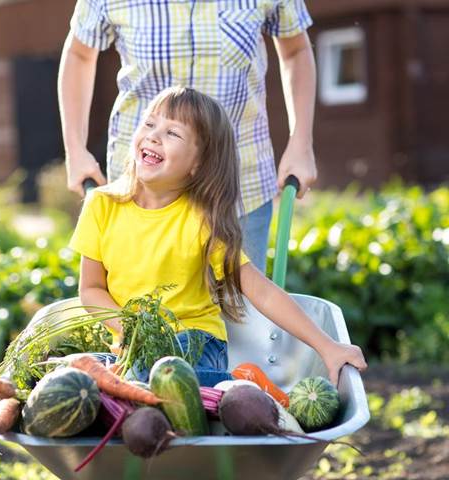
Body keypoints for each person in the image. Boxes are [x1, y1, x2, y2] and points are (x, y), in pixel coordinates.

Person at [68, 87, 366, 387]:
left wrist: (328, 346)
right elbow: (91, 289)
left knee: (163, 373)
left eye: (173, 133)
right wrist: (131, 330)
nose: (154, 136)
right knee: (78, 377)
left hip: (196, 341)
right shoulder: (102, 205)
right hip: (132, 346)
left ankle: (231, 388)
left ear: (197, 163)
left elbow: (259, 290)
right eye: (149, 123)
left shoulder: (201, 219)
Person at [58, 0, 318, 273]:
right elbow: (80, 54)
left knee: (243, 309)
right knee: (143, 307)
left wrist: (301, 143)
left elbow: (296, 50)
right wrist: (75, 149)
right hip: (143, 191)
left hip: (240, 187)